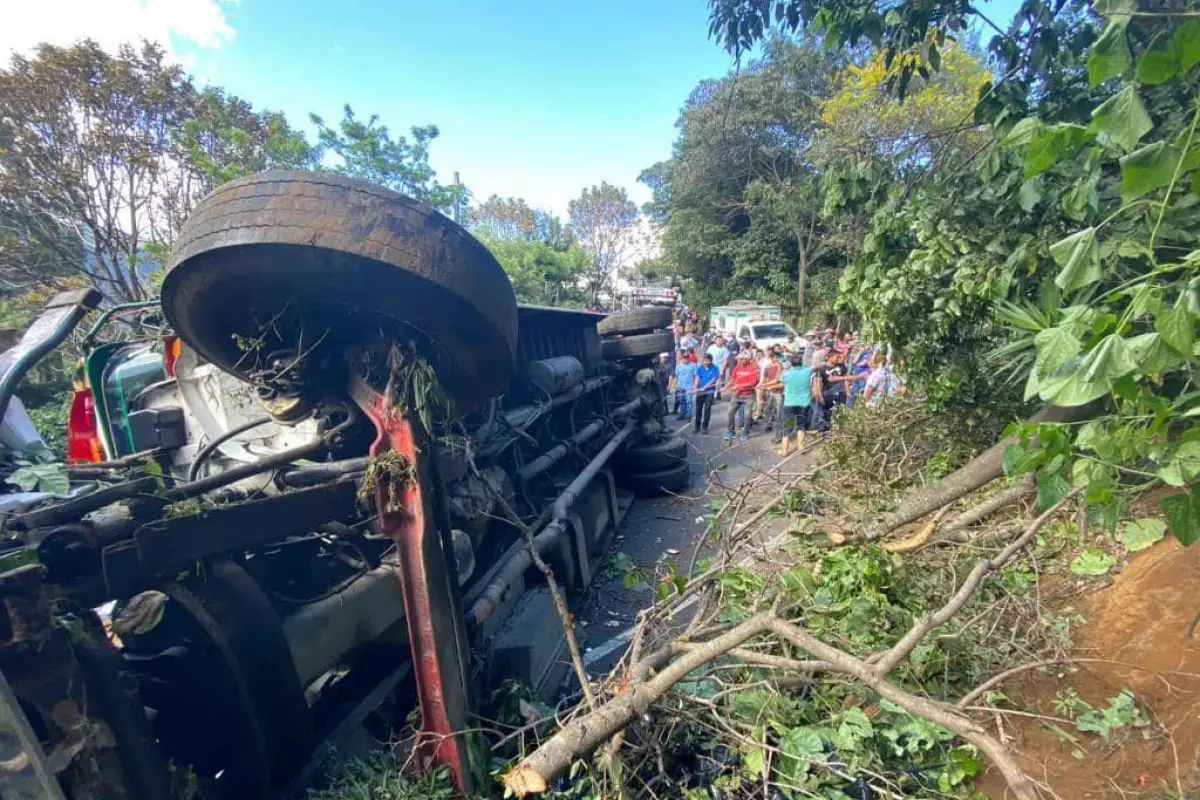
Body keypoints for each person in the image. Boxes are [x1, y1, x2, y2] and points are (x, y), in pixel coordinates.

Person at [777, 353, 816, 455]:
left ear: (791, 363)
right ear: (802, 362)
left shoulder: (786, 374)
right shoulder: (807, 371)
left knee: (787, 427)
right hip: (804, 403)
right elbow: (815, 366)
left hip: (789, 403)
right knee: (801, 425)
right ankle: (801, 447)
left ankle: (784, 450)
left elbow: (779, 379)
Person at [723, 351, 760, 442]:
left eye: (742, 359)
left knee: (747, 415)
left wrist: (739, 386)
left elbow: (752, 383)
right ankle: (731, 432)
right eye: (740, 358)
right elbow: (732, 378)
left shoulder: (752, 369)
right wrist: (726, 387)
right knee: (730, 412)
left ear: (748, 359)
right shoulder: (737, 367)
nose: (740, 360)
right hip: (737, 395)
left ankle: (745, 433)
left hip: (748, 396)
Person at [693, 353, 720, 434]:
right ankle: (697, 427)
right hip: (700, 391)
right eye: (705, 361)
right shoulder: (700, 368)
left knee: (707, 409)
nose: (706, 362)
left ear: (711, 361)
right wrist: (695, 387)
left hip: (710, 391)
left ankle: (705, 427)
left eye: (708, 361)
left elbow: (713, 380)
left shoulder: (715, 368)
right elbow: (697, 378)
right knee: (698, 409)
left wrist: (705, 387)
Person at [671, 349, 698, 421]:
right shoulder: (678, 366)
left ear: (688, 357)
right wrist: (675, 385)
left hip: (689, 387)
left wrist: (695, 385)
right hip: (680, 387)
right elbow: (676, 376)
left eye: (687, 357)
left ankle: (688, 414)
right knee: (682, 401)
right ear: (682, 358)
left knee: (689, 401)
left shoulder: (693, 365)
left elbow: (696, 376)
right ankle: (682, 413)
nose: (685, 359)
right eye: (684, 358)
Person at [706, 335, 730, 400]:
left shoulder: (725, 349)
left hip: (719, 368)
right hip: (711, 367)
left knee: (718, 382)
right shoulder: (711, 347)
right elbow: (707, 356)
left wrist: (722, 370)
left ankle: (716, 394)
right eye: (718, 341)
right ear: (715, 341)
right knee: (710, 381)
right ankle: (711, 395)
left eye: (721, 341)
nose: (720, 342)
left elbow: (725, 360)